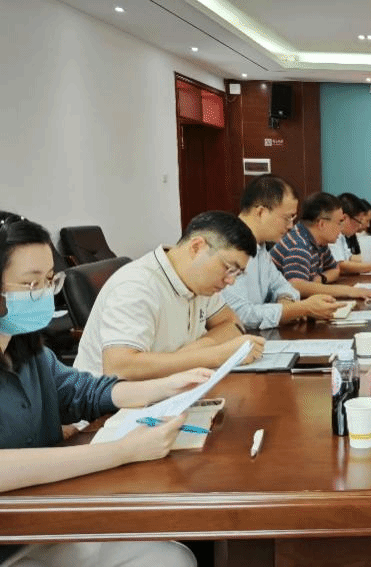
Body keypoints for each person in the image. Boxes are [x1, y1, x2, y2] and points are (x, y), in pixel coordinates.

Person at [0, 215, 203, 567]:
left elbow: (82, 391)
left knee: (172, 557)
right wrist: (124, 451)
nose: (44, 294)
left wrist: (165, 386)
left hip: (43, 524)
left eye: (50, 280)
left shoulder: (29, 351)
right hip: (11, 538)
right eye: (31, 283)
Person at [74, 211, 265, 381]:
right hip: (106, 405)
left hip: (165, 390)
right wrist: (216, 355)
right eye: (229, 268)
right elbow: (119, 368)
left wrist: (188, 354)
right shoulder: (137, 285)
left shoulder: (201, 283)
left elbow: (232, 324)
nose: (231, 281)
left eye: (237, 273)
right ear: (196, 247)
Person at [223, 175, 346, 329]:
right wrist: (299, 309)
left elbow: (284, 286)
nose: (290, 226)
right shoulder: (229, 248)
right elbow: (240, 315)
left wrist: (287, 304)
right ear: (261, 212)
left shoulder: (260, 247)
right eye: (287, 218)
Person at [269, 193, 371, 300]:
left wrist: (320, 279)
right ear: (322, 224)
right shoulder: (298, 245)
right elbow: (297, 286)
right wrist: (348, 291)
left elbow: (335, 269)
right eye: (339, 222)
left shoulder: (319, 242)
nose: (341, 228)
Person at [329, 193, 371, 274]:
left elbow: (349, 257)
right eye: (359, 221)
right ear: (345, 218)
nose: (360, 226)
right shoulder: (333, 234)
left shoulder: (341, 235)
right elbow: (340, 266)